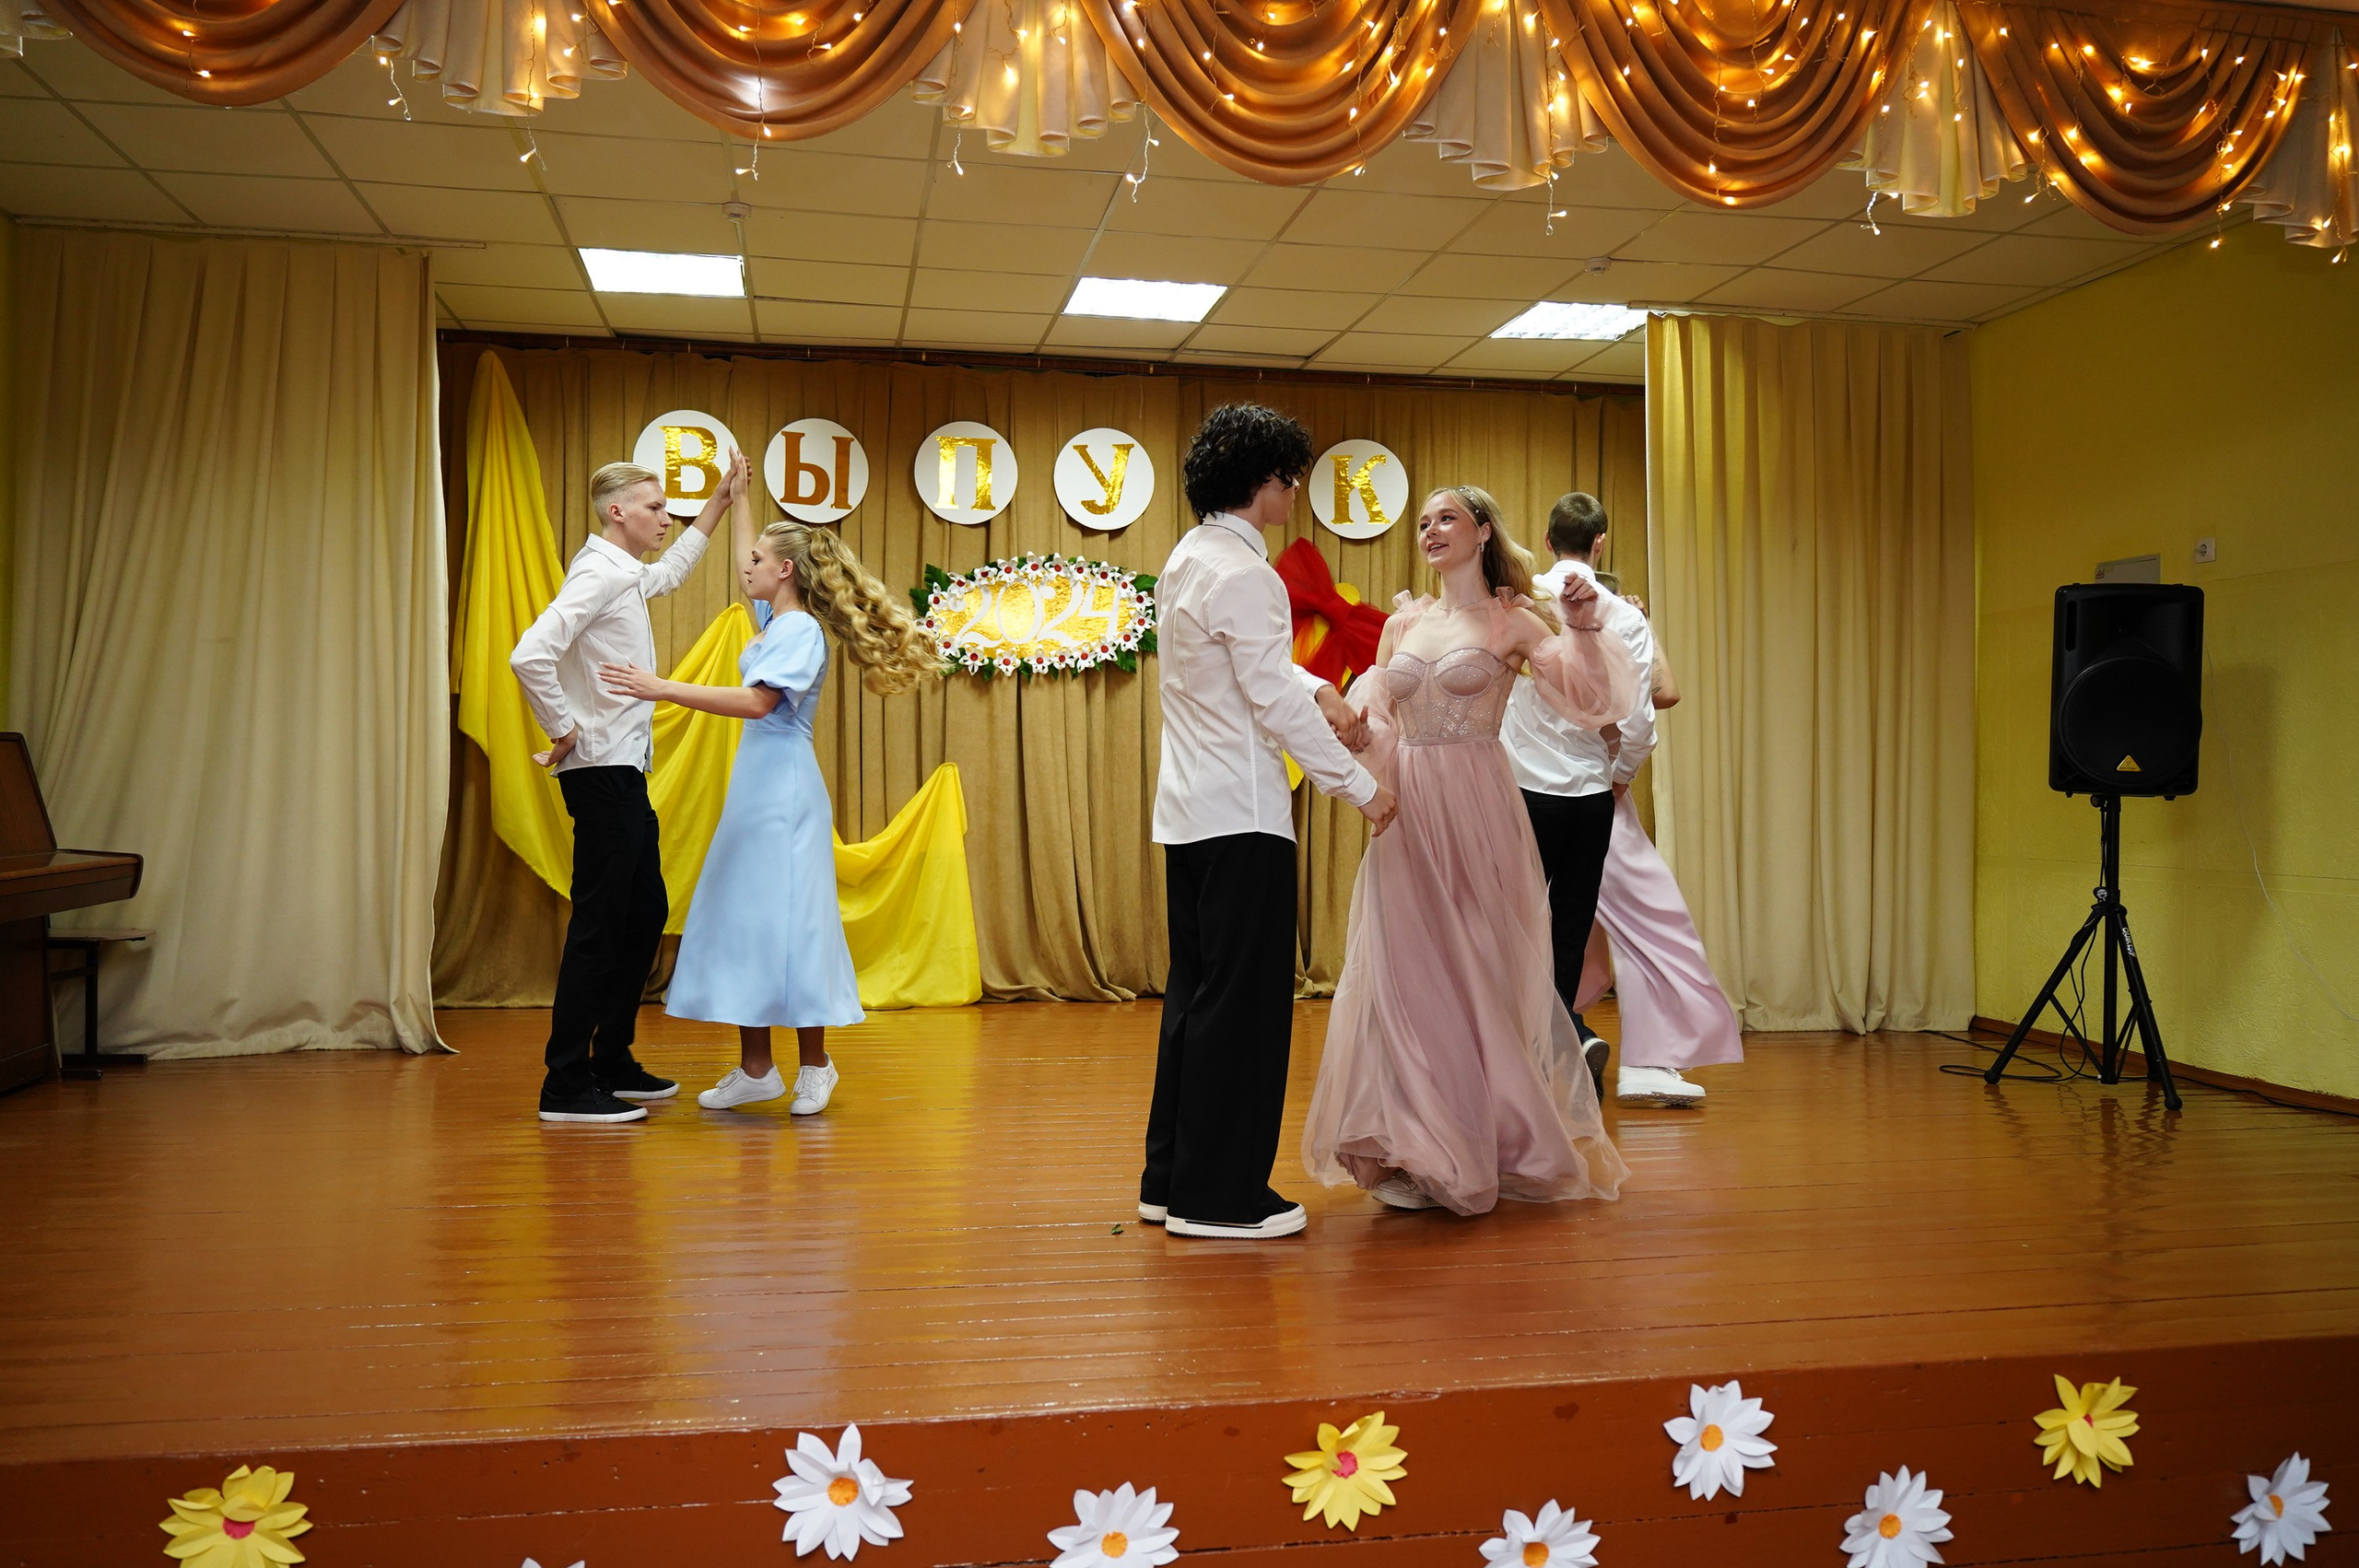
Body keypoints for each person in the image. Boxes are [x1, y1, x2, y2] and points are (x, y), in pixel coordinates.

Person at [1301, 486, 1634, 1217]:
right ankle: (1418, 1145)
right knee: (1409, 975)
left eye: (1446, 518)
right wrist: (1349, 728)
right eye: (1422, 521)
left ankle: (1488, 1138)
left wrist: (1580, 628)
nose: (1430, 530)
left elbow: (1588, 699)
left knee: (1477, 971)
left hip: (1479, 808)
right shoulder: (1404, 623)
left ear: (1483, 531)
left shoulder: (1512, 621)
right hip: (1411, 812)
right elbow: (1376, 717)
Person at [1144, 403, 1400, 1242]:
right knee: (1244, 1012)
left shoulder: (1187, 560)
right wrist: (1360, 788)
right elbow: (1270, 704)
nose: (1295, 490)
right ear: (1264, 480)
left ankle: (1171, 1180)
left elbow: (1256, 671)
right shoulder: (1247, 574)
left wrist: (1321, 688)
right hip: (1244, 815)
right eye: (1290, 476)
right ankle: (1221, 1198)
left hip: (1189, 815)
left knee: (1194, 999)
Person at [600, 511, 937, 1117]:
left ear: (784, 570)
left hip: (784, 793)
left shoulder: (800, 632)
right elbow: (746, 567)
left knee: (792, 923)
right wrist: (737, 496)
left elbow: (759, 702)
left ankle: (816, 1065)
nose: (747, 566)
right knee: (746, 923)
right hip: (755, 792)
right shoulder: (774, 620)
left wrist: (662, 687)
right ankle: (756, 1069)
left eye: (759, 559)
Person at [511, 451, 747, 1125]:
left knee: (643, 914)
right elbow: (529, 654)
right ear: (618, 512)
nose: (664, 517)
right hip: (602, 770)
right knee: (601, 925)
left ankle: (611, 1060)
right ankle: (565, 1085)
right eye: (654, 507)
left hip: (622, 771)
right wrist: (565, 728)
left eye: (667, 507)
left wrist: (721, 503)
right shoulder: (596, 573)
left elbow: (671, 572)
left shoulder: (622, 572)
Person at [1496, 493, 1667, 1099]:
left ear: (1546, 541)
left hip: (1521, 788)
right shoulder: (1626, 615)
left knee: (1512, 920)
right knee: (1570, 926)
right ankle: (1559, 1042)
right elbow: (1643, 719)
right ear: (1601, 543)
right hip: (1591, 792)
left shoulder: (1518, 602)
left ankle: (1526, 1043)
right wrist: (1619, 774)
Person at [1569, 594, 1744, 1102]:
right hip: (1599, 791)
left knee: (1573, 932)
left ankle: (1558, 1042)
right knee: (1651, 924)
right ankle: (1647, 1060)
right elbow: (1664, 693)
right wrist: (1643, 625)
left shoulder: (1533, 611)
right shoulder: (1614, 618)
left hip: (1539, 793)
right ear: (1599, 543)